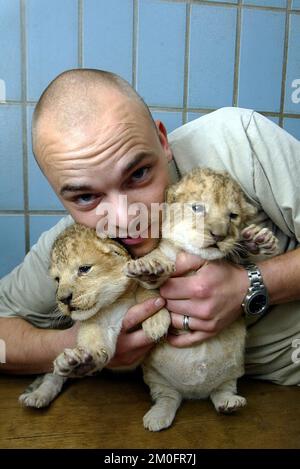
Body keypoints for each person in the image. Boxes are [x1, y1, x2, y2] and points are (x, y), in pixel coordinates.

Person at [0, 68, 300, 385]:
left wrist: (253, 284)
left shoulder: (237, 141)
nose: (124, 218)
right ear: (60, 195)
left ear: (162, 140)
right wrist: (81, 345)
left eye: (139, 174)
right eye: (86, 196)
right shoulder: (72, 247)